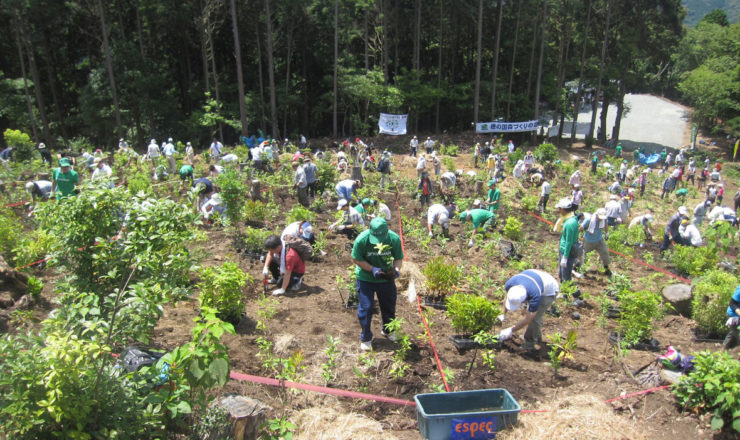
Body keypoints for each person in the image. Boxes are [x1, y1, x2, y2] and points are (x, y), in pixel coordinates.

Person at [497, 269, 560, 352]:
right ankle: (536, 336)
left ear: (525, 299)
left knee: (535, 318)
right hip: (535, 278)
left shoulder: (535, 296)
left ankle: (529, 344)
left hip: (550, 290)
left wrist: (511, 330)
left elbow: (529, 319)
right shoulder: (510, 284)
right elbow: (507, 297)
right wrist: (503, 314)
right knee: (533, 317)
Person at [580, 209, 612, 276]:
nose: (601, 219)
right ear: (597, 215)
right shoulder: (589, 220)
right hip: (589, 240)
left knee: (605, 253)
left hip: (599, 240)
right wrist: (576, 234)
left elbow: (605, 225)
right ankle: (581, 269)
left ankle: (606, 268)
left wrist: (606, 233)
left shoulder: (604, 220)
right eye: (600, 218)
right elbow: (581, 227)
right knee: (583, 254)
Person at [556, 198, 578, 282]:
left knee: (566, 277)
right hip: (564, 250)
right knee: (561, 274)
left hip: (567, 252)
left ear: (563, 209)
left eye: (559, 209)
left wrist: (565, 257)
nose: (559, 210)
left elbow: (569, 241)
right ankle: (563, 293)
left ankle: (576, 295)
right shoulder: (569, 219)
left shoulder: (569, 223)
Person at [723, 284, 740, 350]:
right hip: (733, 315)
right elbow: (732, 303)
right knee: (735, 333)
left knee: (733, 333)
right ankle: (723, 351)